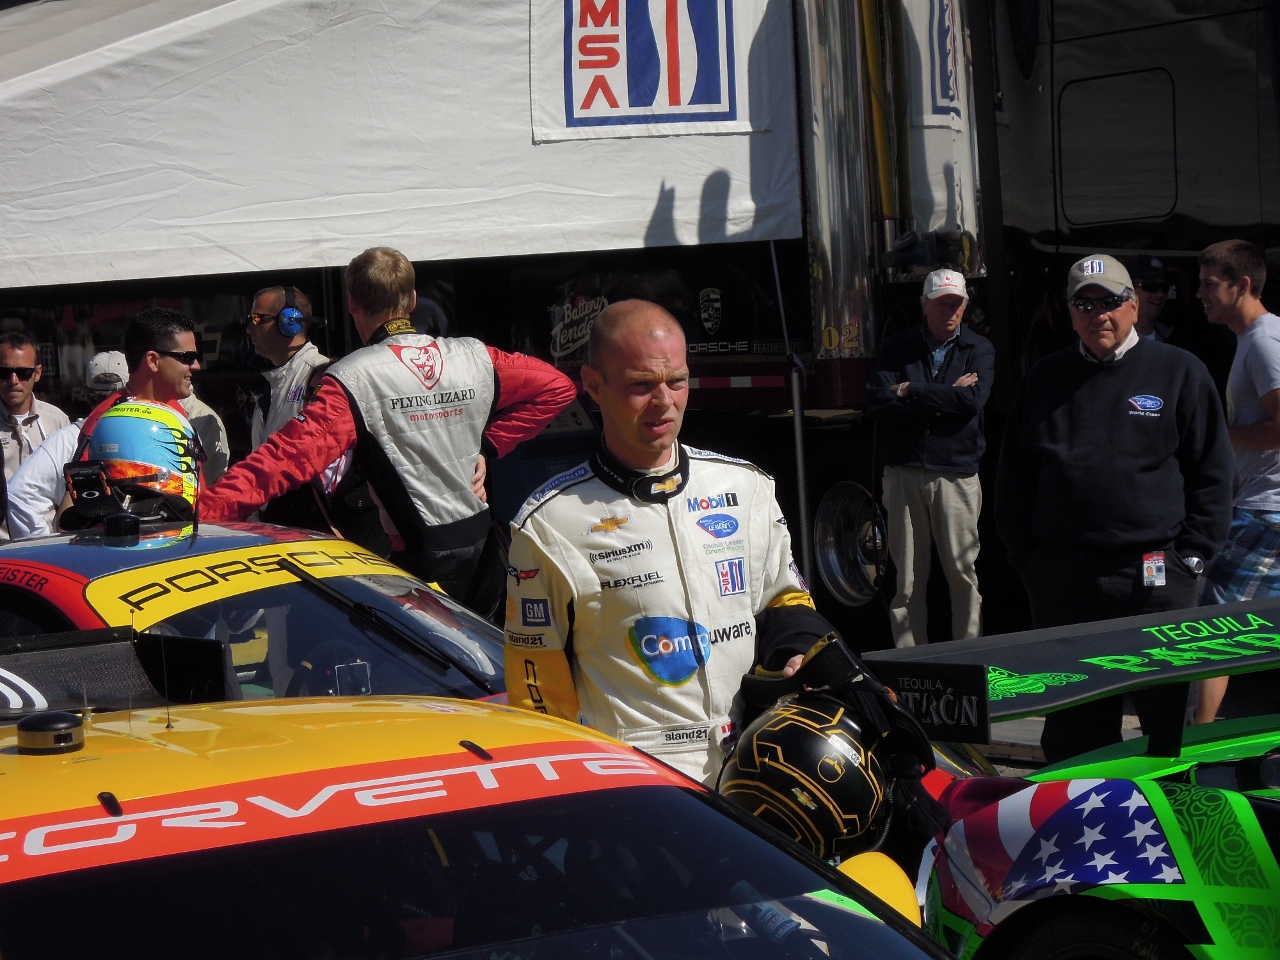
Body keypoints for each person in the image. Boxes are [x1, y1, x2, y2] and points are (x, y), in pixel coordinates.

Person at [503, 299, 833, 784]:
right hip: (640, 784)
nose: (664, 401)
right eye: (641, 386)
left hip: (760, 762)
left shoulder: (747, 489)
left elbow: (783, 598)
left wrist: (795, 652)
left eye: (676, 381)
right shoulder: (548, 524)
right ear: (593, 384)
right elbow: (538, 698)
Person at [200, 247, 577, 615]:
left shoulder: (353, 377)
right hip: (486, 553)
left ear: (350, 302)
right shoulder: (474, 354)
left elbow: (283, 459)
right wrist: (489, 447)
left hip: (418, 565)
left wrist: (205, 511)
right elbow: (557, 387)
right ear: (413, 300)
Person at [996, 254, 1234, 764]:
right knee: (1074, 727)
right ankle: (1079, 834)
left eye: (1110, 301)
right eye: (1085, 303)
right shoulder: (1043, 380)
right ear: (1070, 311)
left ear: (1132, 306)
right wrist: (1031, 562)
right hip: (1065, 582)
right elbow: (1013, 481)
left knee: (1166, 728)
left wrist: (1191, 559)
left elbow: (1213, 473)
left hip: (1155, 579)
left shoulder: (1179, 372)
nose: (1098, 313)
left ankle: (1174, 832)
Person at [867, 268, 994, 647]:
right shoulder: (898, 347)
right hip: (904, 470)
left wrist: (910, 390)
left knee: (962, 574)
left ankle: (971, 660)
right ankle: (911, 668)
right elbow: (877, 402)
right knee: (905, 580)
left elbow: (972, 401)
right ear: (924, 305)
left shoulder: (979, 348)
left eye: (956, 303)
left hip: (955, 473)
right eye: (941, 303)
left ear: (966, 306)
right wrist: (942, 395)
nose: (949, 311)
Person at [1195, 239, 1280, 723]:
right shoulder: (1255, 339)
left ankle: (1191, 749)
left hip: (1265, 510)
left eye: (1209, 284)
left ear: (1242, 285)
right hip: (1264, 505)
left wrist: (1218, 433)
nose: (1200, 294)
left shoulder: (1264, 341)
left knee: (1210, 627)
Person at [8, 351, 127, 538]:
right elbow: (18, 496)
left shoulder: (68, 437)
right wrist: (47, 549)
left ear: (86, 395)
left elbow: (20, 495)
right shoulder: (73, 438)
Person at [0, 332, 68, 485]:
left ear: (37, 373)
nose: (13, 381)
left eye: (24, 372)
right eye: (4, 373)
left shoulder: (57, 421)